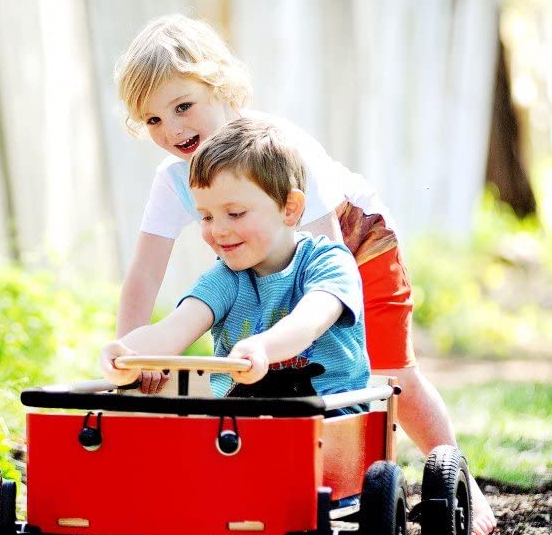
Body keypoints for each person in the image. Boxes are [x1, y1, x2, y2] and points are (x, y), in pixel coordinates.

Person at [112, 13, 496, 535]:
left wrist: (307, 341)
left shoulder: (280, 150)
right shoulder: (174, 179)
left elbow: (323, 263)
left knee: (387, 372)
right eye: (152, 120)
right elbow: (144, 273)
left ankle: (461, 485)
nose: (173, 129)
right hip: (261, 263)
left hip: (353, 248)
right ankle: (297, 483)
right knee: (272, 380)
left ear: (221, 86)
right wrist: (135, 354)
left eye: (182, 106)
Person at [101, 117, 371, 408]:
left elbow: (308, 321)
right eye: (206, 217)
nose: (218, 230)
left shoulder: (328, 262)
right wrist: (127, 354)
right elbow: (172, 330)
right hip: (239, 424)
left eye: (236, 213)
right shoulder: (227, 278)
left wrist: (263, 346)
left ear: (289, 209)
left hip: (325, 415)